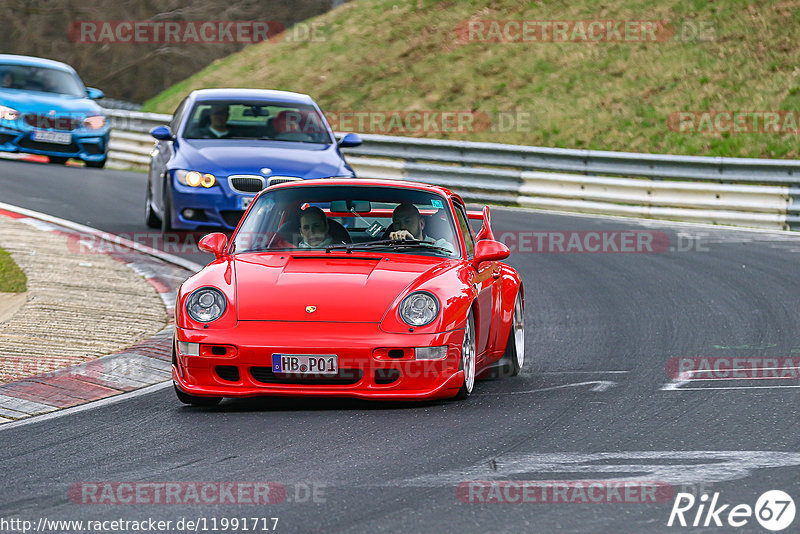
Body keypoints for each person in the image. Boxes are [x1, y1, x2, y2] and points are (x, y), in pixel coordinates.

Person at [389, 202, 454, 254]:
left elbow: (451, 255)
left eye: (407, 221)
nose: (402, 226)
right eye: (397, 222)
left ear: (421, 224)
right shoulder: (385, 246)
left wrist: (415, 244)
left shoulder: (439, 244)